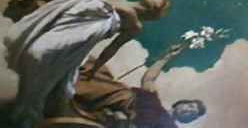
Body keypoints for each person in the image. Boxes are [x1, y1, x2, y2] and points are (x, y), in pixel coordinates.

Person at [4, 0, 170, 128]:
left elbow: (112, 48)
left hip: (80, 37)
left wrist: (95, 68)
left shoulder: (134, 25)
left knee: (40, 53)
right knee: (28, 45)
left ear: (153, 9)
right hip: (67, 20)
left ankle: (25, 104)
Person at [72, 46, 206, 127]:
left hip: (129, 122)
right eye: (190, 106)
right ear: (180, 103)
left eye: (192, 115)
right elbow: (149, 79)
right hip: (124, 99)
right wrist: (167, 57)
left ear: (188, 120)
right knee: (98, 70)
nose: (189, 111)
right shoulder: (153, 101)